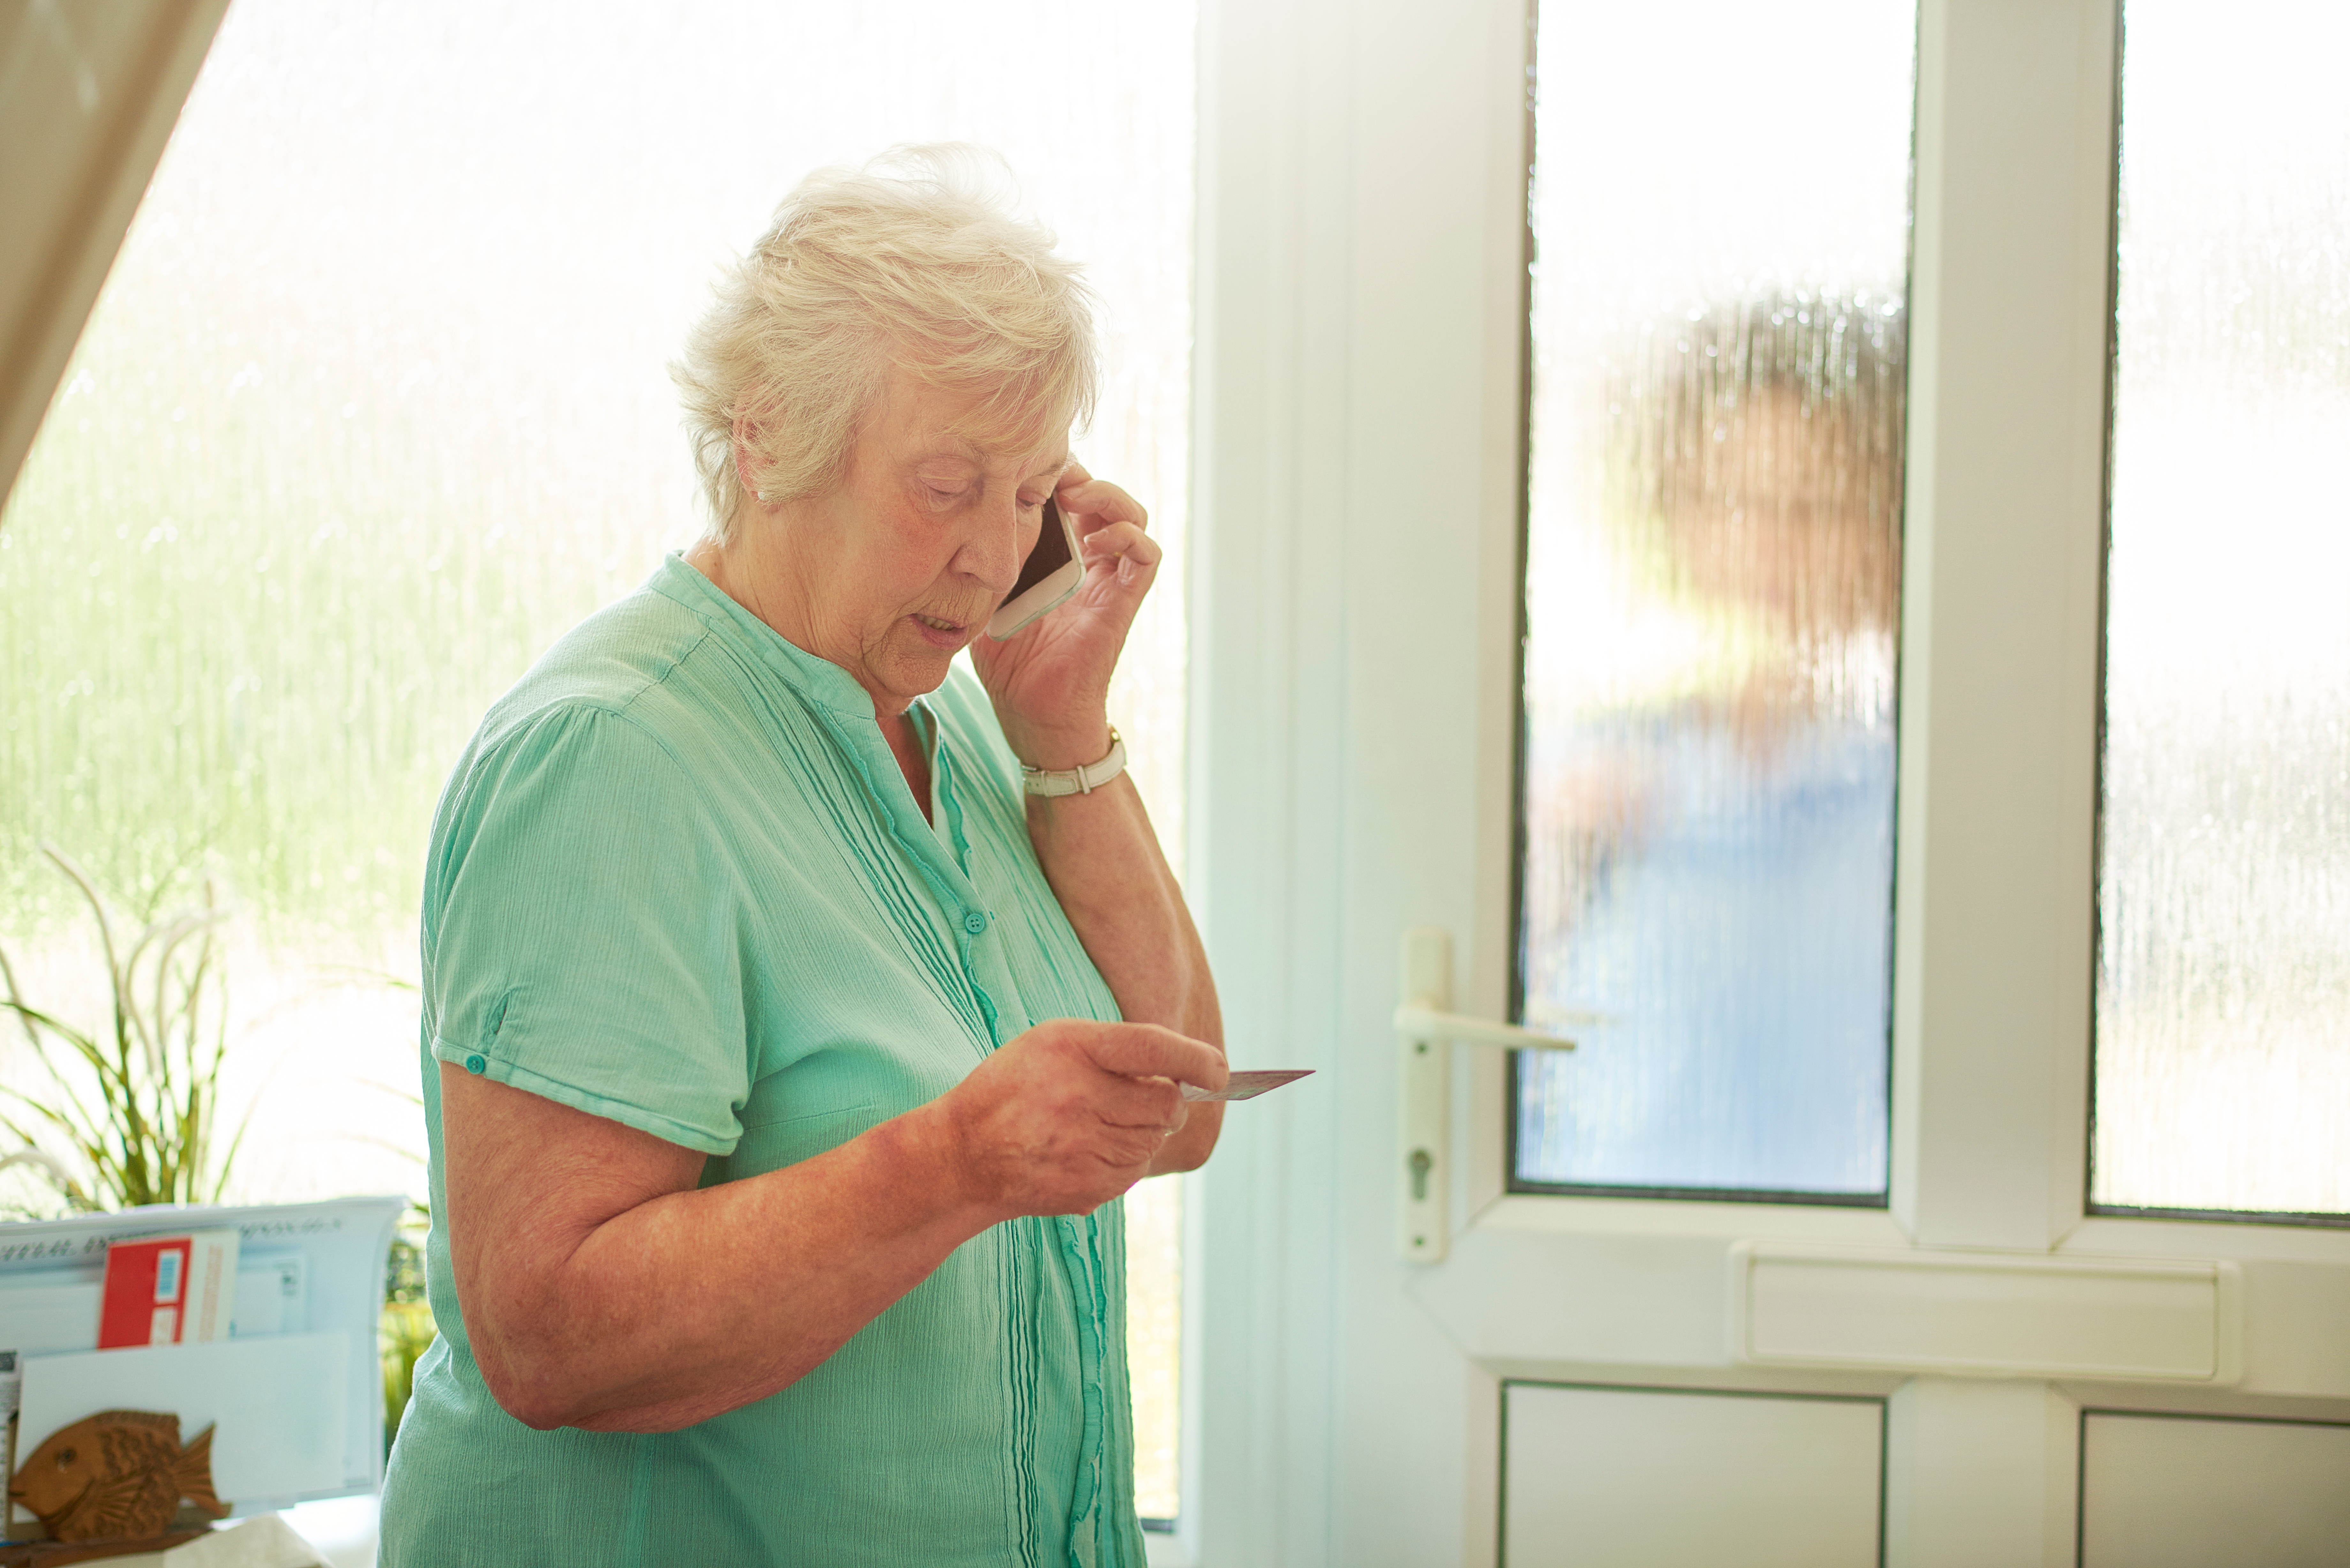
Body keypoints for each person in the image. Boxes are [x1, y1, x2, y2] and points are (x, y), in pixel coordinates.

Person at [377, 145, 1225, 1568]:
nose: (989, 554)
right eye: (945, 485)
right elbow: (550, 1336)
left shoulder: (946, 721)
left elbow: (1182, 1105)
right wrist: (953, 1162)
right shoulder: (612, 761)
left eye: (1027, 496)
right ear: (764, 439)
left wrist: (1065, 736)